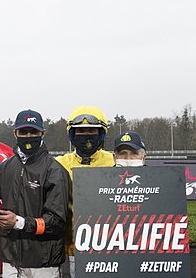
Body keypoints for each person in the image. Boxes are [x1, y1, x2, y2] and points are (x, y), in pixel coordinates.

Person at [0, 109, 70, 278]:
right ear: (15, 134)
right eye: (23, 132)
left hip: (44, 264)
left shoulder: (55, 171)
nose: (28, 136)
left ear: (42, 133)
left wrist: (18, 222)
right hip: (11, 261)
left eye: (33, 131)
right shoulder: (5, 167)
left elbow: (57, 223)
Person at [55, 106, 115, 278]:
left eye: (92, 130)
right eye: (80, 131)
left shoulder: (115, 162)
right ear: (72, 135)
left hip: (110, 244)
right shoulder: (59, 164)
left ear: (101, 133)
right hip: (74, 247)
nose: (86, 135)